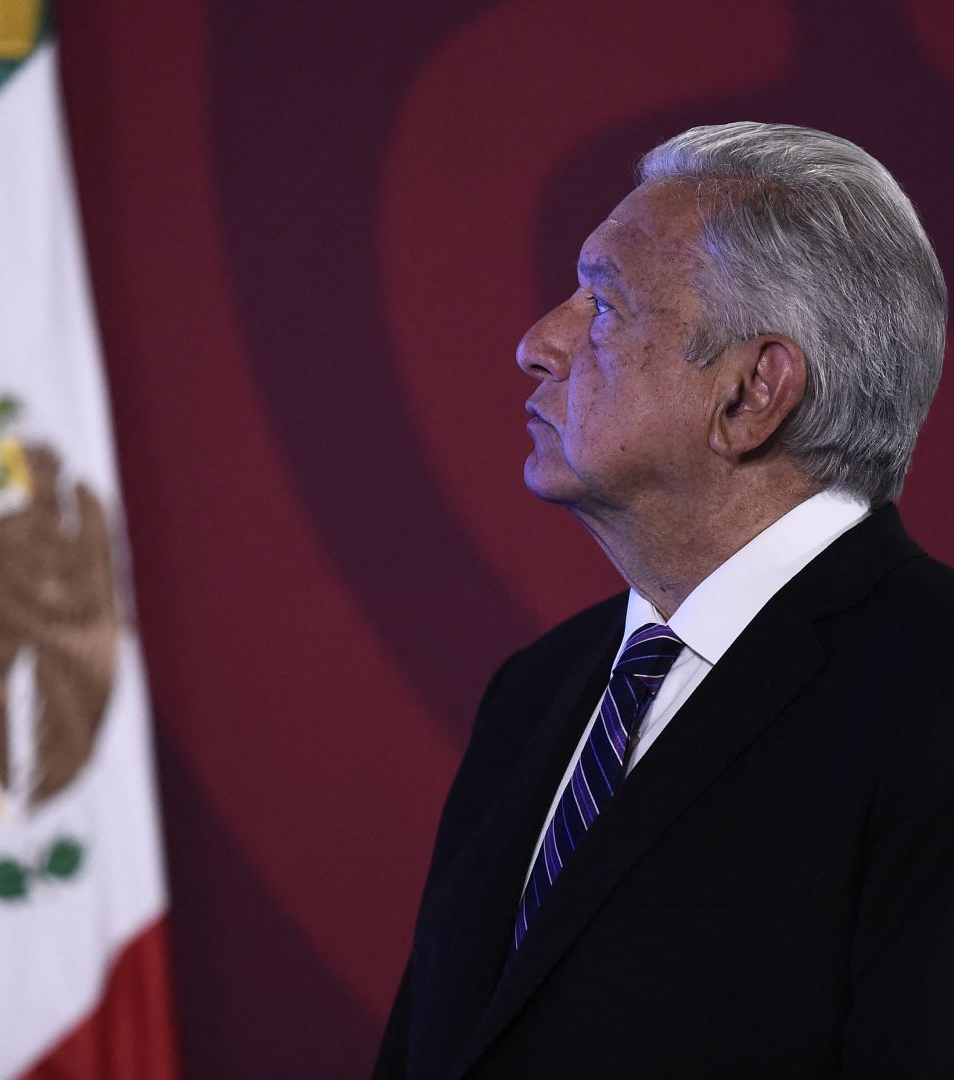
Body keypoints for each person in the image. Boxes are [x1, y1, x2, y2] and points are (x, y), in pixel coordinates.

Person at [374, 122, 954, 1079]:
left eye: (602, 304)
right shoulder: (536, 690)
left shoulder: (932, 695)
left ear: (751, 393)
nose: (535, 343)